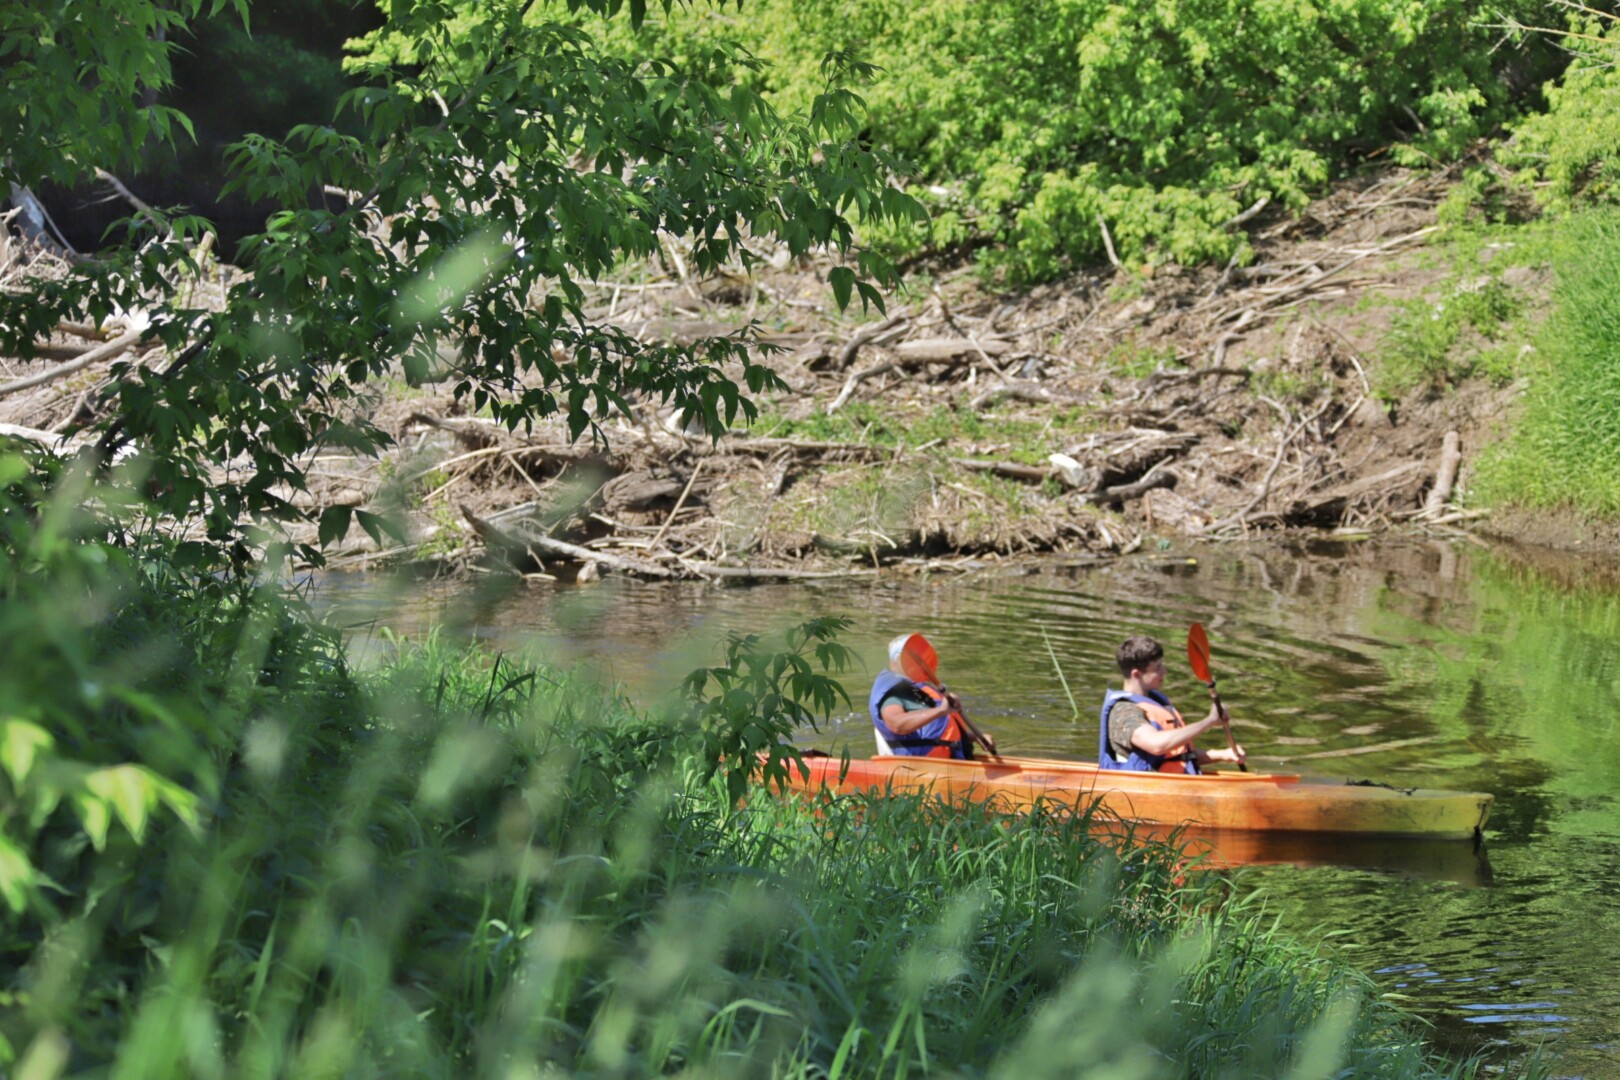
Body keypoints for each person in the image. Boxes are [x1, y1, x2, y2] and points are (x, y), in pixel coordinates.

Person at [1100, 635, 1245, 773]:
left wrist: (1223, 755)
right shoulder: (1124, 712)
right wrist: (1209, 721)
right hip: (1146, 786)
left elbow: (1179, 755)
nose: (1165, 671)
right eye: (1158, 668)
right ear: (1137, 674)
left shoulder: (1157, 702)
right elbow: (1157, 745)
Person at [869, 634, 995, 758]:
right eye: (911, 658)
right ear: (895, 662)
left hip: (950, 759)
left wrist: (975, 737)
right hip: (923, 764)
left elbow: (937, 733)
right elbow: (896, 724)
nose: (918, 662)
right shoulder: (894, 692)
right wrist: (940, 710)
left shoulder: (920, 689)